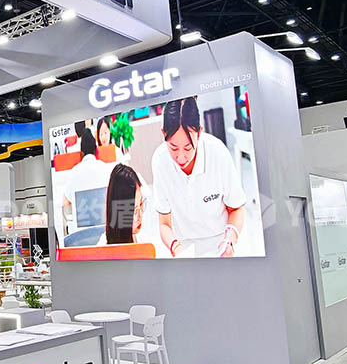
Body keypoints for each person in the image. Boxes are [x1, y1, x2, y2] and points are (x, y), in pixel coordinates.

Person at [152, 96, 247, 257]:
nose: (181, 157)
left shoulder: (217, 153)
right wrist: (176, 248)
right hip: (185, 247)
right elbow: (164, 224)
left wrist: (229, 241)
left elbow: (236, 209)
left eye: (188, 147)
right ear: (163, 134)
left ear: (199, 132)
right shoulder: (160, 160)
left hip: (220, 243)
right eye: (173, 148)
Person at [104, 163, 144, 245]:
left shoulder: (141, 239)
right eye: (133, 210)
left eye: (140, 204)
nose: (140, 216)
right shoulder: (104, 249)